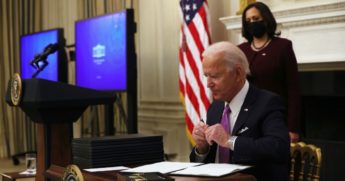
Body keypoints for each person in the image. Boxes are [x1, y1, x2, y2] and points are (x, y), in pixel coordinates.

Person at [190, 41, 290, 181]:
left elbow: (278, 148)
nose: (208, 84)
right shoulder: (216, 107)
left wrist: (229, 141)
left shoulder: (268, 103)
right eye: (206, 76)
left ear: (238, 73)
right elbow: (202, 164)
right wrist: (202, 149)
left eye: (215, 76)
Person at [238, 2, 301, 143]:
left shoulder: (283, 46)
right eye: (248, 21)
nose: (252, 23)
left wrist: (293, 128)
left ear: (266, 19)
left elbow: (293, 88)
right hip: (248, 119)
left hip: (276, 117)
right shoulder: (241, 50)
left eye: (256, 18)